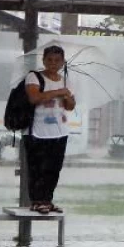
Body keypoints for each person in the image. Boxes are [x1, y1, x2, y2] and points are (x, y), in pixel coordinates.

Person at [23, 45, 76, 214]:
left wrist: (68, 96)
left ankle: (47, 200)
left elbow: (70, 106)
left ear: (62, 62)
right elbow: (34, 98)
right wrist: (58, 92)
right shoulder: (34, 77)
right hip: (36, 130)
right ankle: (37, 201)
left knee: (53, 168)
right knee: (37, 167)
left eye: (57, 60)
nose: (53, 63)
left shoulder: (66, 80)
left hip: (60, 131)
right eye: (49, 60)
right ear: (44, 60)